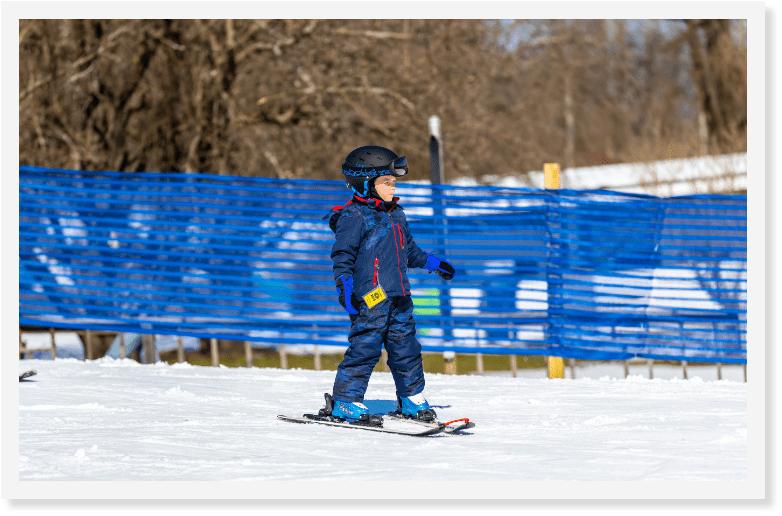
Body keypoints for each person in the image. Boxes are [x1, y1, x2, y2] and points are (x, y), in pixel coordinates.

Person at [321, 145, 456, 424]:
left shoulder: (397, 214)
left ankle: (411, 398)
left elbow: (410, 251)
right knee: (365, 349)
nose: (393, 187)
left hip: (400, 296)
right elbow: (342, 256)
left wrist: (433, 264)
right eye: (386, 182)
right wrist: (343, 284)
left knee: (406, 348)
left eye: (394, 182)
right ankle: (346, 401)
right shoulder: (353, 217)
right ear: (366, 183)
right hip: (371, 298)